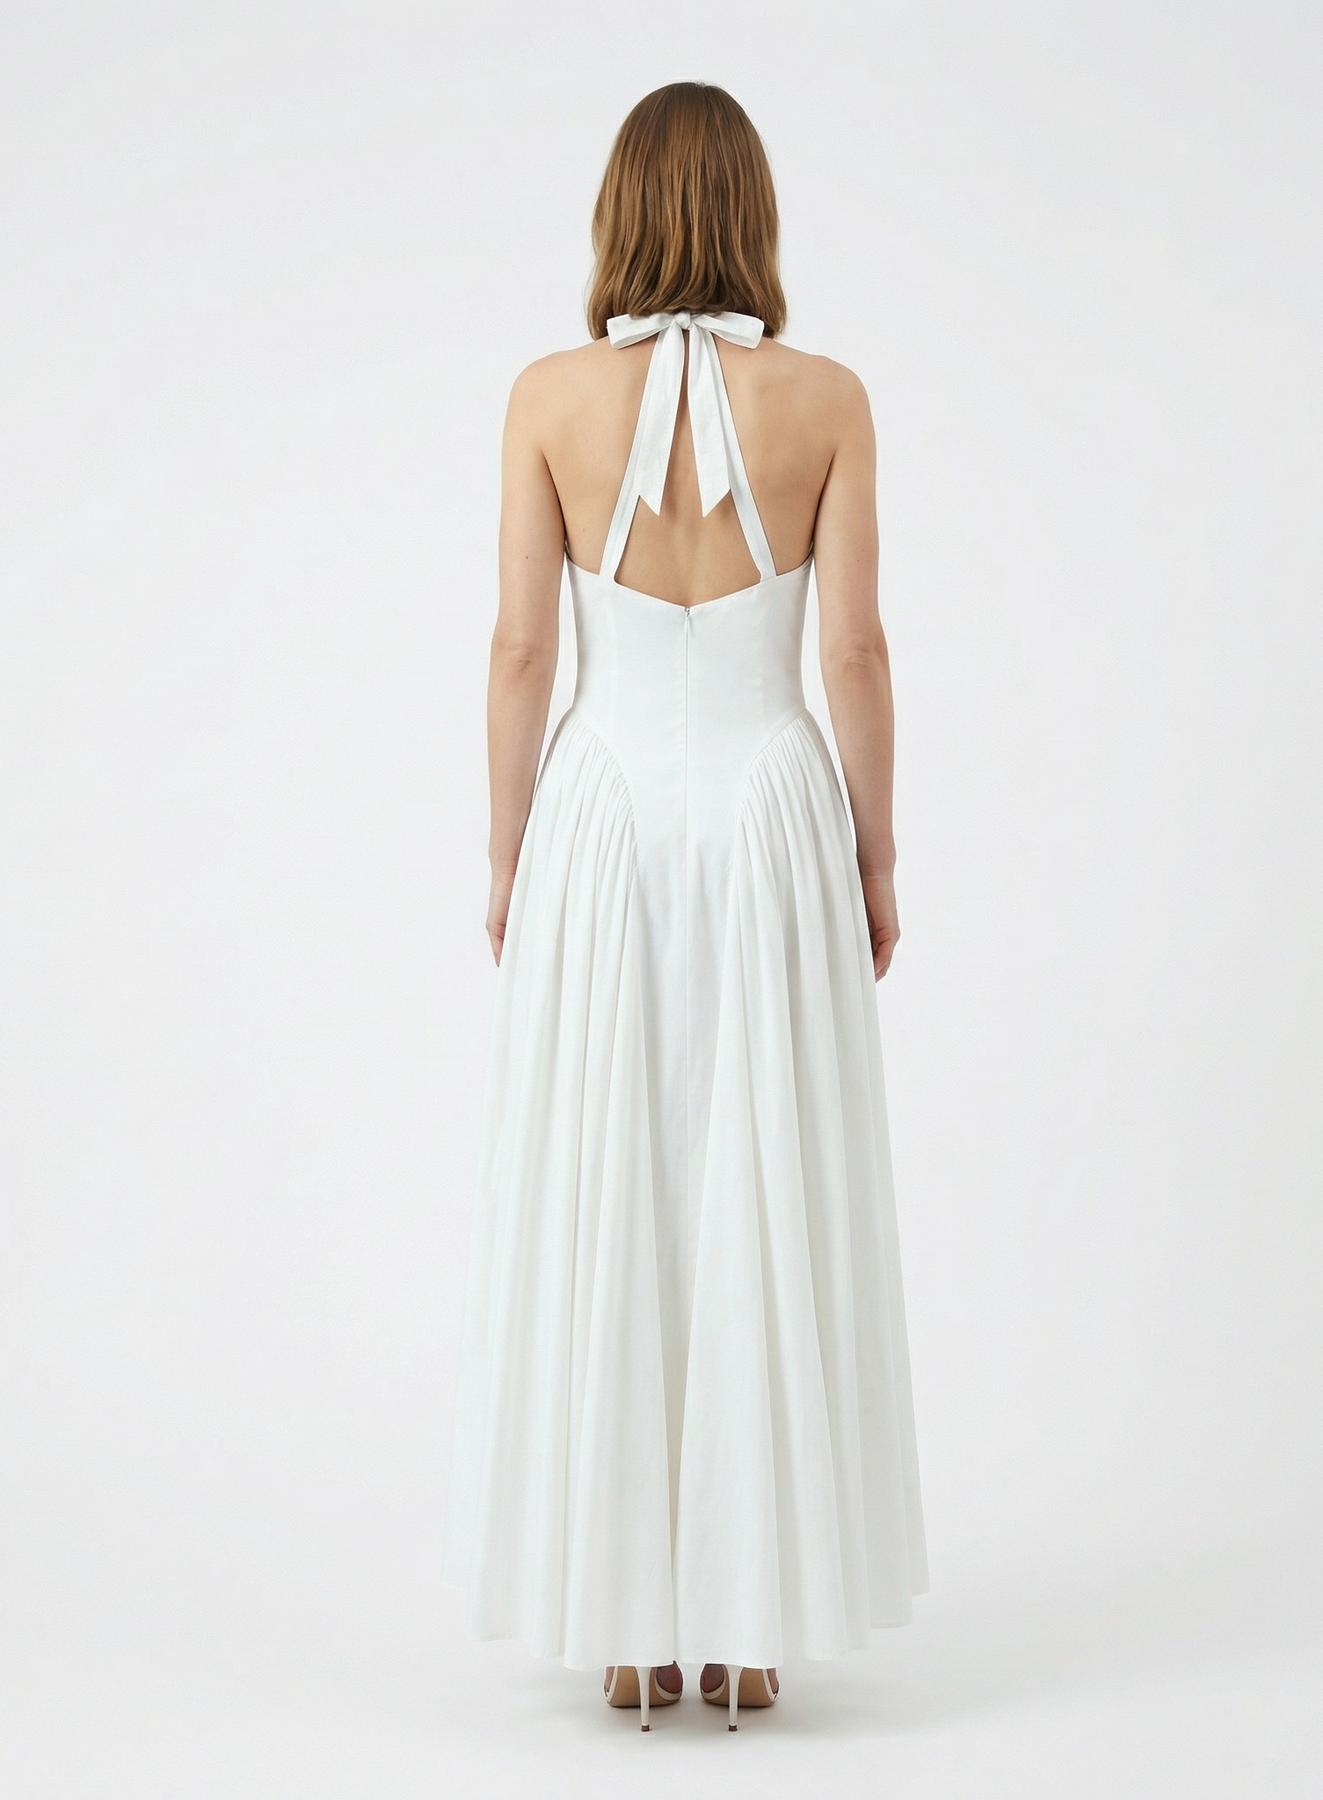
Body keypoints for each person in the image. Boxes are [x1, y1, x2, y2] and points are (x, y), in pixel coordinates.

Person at [444, 81, 926, 1732]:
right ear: (754, 215)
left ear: (620, 214)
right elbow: (853, 649)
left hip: (606, 817)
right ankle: (750, 1628)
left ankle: (633, 1632)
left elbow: (522, 648)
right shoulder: (830, 399)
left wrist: (508, 852)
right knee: (758, 1174)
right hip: (773, 813)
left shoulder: (546, 398)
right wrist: (875, 853)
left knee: (618, 1170)